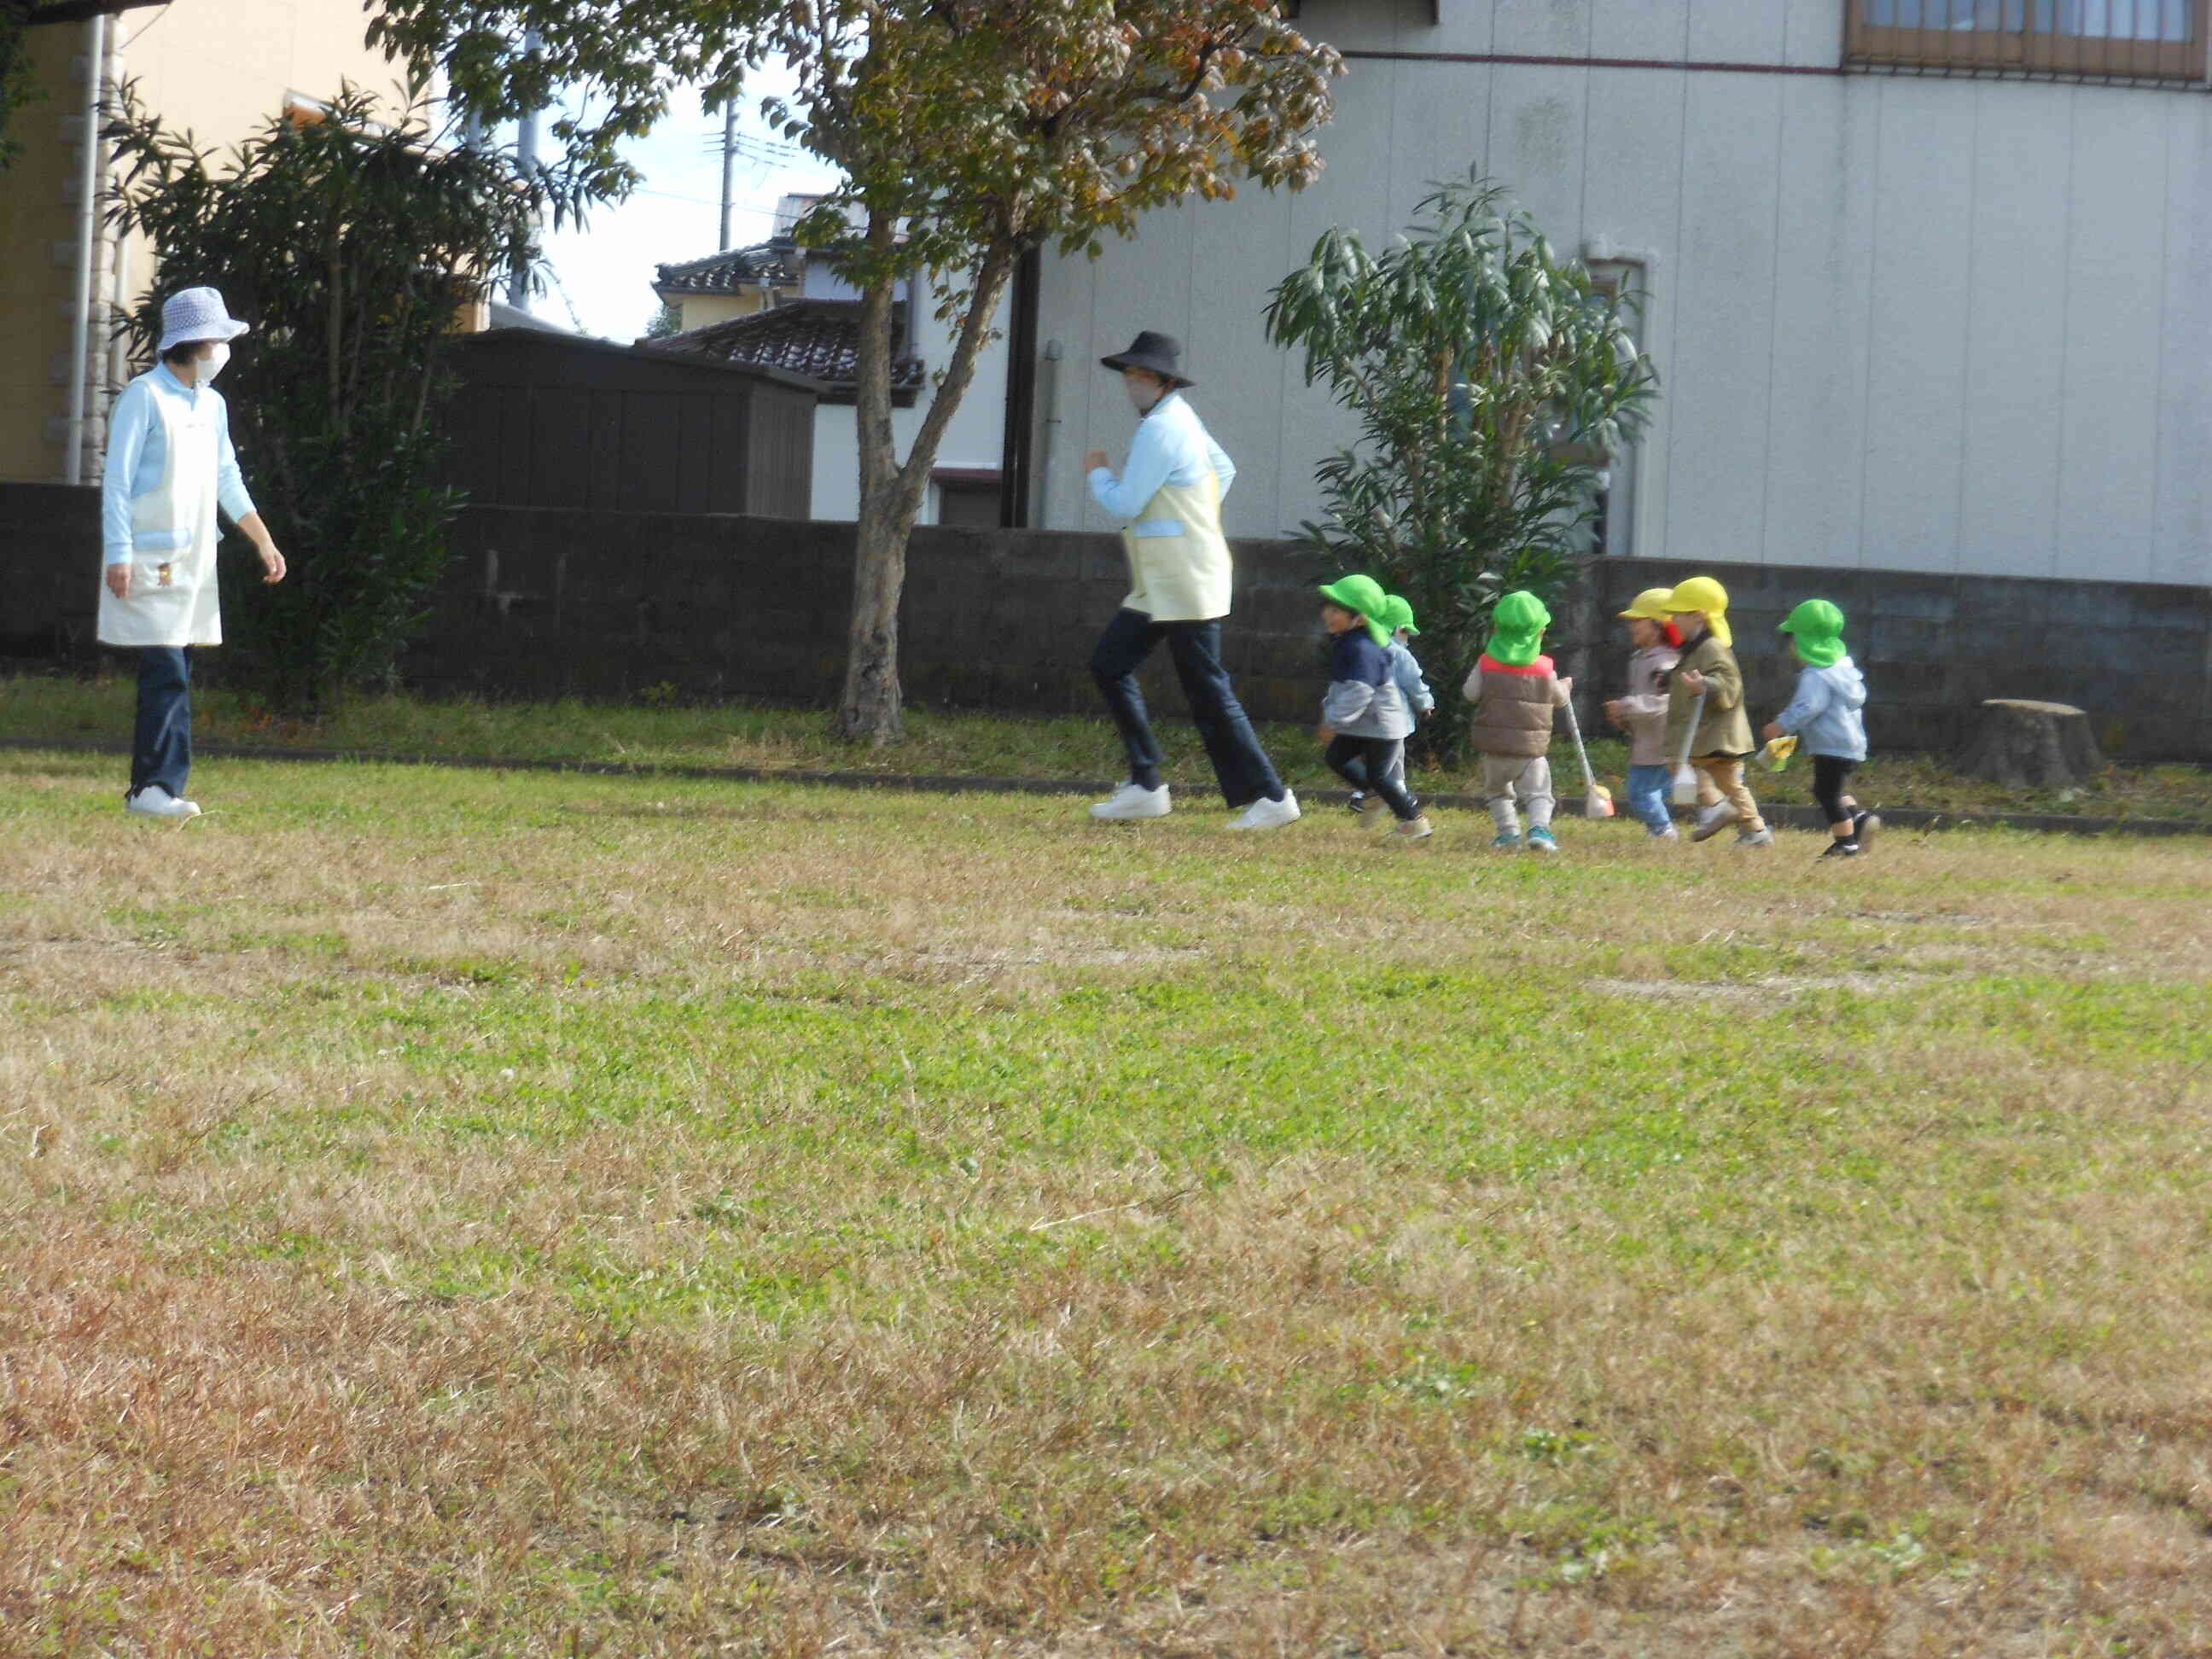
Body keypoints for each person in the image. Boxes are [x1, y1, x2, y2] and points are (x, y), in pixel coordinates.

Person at [1080, 331, 1297, 830]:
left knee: (1208, 691)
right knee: (1111, 665)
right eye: (1129, 374)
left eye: (1140, 375)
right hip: (1170, 579)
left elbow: (1125, 503)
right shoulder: (1178, 419)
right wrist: (1194, 518)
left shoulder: (1160, 429)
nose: (1131, 383)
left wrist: (1097, 473)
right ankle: (1146, 785)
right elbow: (1225, 469)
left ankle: (1270, 795)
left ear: (1162, 382)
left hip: (1181, 580)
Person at [98, 286, 287, 821]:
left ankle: (157, 787)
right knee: (165, 669)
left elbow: (228, 477)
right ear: (193, 342)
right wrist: (118, 552)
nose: (223, 349)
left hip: (195, 559)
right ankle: (153, 789)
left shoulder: (212, 404)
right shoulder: (144, 396)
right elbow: (117, 482)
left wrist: (263, 539)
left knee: (177, 665)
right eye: (217, 339)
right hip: (147, 559)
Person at [1315, 575, 1429, 841]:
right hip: (1364, 724)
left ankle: (1413, 821)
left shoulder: (1361, 648)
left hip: (1383, 725)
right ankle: (1375, 795)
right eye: (1328, 608)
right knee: (1336, 758)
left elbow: (1359, 691)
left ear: (1361, 618)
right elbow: (1341, 686)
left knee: (1380, 776)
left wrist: (1333, 721)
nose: (1327, 615)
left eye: (1336, 611)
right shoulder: (1349, 641)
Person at [1662, 575, 1772, 847]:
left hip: (1715, 733)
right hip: (1709, 733)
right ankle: (1753, 829)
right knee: (1727, 781)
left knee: (1685, 766)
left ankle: (1719, 810)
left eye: (1678, 614)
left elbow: (1729, 683)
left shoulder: (1712, 648)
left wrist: (1705, 685)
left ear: (1698, 616)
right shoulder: (1697, 647)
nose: (1673, 620)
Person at [1765, 598, 1879, 859]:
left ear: (1803, 641)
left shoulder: (1815, 675)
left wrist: (1780, 725)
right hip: (1848, 743)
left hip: (1832, 744)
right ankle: (1858, 818)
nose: (1790, 647)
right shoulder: (1843, 668)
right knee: (1831, 790)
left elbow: (1808, 707)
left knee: (1826, 793)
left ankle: (1846, 843)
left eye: (1792, 640)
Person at [1462, 590, 1570, 853]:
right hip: (1530, 750)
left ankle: (1508, 834)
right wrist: (1564, 686)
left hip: (1494, 749)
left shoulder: (1486, 663)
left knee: (1498, 793)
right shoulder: (1544, 667)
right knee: (1538, 793)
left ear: (1496, 627)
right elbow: (1560, 701)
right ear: (1540, 632)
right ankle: (1539, 830)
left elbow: (1470, 694)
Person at [1603, 587, 1683, 840]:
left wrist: (1626, 707)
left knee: (1640, 792)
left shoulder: (1666, 663)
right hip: (1646, 741)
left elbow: (1666, 701)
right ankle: (1656, 829)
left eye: (1638, 621)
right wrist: (1625, 718)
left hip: (1661, 744)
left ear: (1659, 625)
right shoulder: (1640, 658)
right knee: (1651, 790)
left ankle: (1663, 830)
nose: (1632, 627)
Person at [1346, 592, 1434, 820]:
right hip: (1395, 720)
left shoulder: (1362, 647)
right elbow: (1414, 683)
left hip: (1365, 716)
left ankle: (1368, 793)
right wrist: (1426, 704)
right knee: (1393, 759)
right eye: (1406, 631)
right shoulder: (1400, 655)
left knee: (1371, 758)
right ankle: (1396, 794)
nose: (1407, 637)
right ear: (1396, 629)